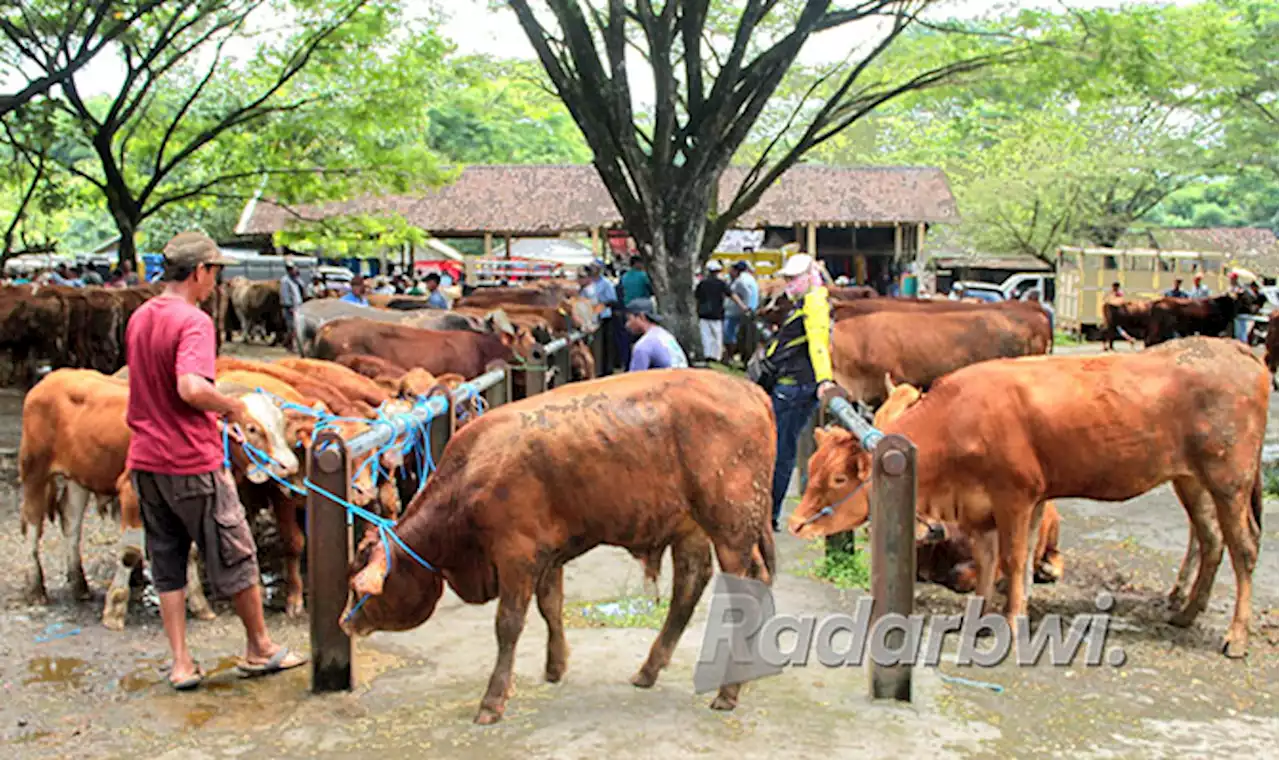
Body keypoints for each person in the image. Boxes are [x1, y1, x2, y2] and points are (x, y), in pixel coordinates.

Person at [125, 231, 307, 690]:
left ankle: (182, 663)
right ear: (200, 271)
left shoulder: (142, 315)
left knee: (165, 558)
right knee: (235, 550)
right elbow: (189, 387)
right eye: (215, 272)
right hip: (189, 460)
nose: (217, 283)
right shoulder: (194, 321)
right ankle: (260, 647)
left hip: (145, 460)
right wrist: (231, 407)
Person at [761, 253, 834, 533]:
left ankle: (771, 515)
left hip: (795, 388)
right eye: (788, 278)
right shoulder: (804, 302)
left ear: (808, 276)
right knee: (780, 448)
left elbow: (818, 343)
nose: (789, 283)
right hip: (789, 385)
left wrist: (824, 379)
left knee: (782, 451)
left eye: (794, 278)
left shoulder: (814, 302)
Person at [625, 299, 688, 370]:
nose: (627, 324)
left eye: (629, 319)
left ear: (641, 316)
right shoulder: (666, 335)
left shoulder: (644, 345)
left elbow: (635, 378)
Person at [581, 264, 620, 373]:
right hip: (590, 317)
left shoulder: (606, 283)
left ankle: (607, 369)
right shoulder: (588, 284)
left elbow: (612, 300)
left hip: (604, 317)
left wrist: (600, 306)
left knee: (606, 345)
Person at [694, 260, 733, 364]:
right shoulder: (721, 284)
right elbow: (731, 295)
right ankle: (716, 356)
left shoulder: (702, 283)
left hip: (703, 313)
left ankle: (708, 355)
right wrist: (743, 307)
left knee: (706, 335)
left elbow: (696, 297)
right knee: (717, 336)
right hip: (717, 313)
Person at [724, 261, 759, 362]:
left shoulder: (741, 281)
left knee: (732, 334)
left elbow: (747, 294)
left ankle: (730, 356)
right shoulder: (744, 279)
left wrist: (745, 307)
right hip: (738, 311)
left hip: (739, 312)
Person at [279, 261, 305, 352]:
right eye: (293, 269)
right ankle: (288, 344)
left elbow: (302, 287)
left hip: (298, 305)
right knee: (292, 327)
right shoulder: (285, 281)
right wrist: (289, 306)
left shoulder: (296, 280)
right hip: (289, 307)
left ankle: (287, 344)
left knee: (296, 327)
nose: (295, 271)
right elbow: (285, 294)